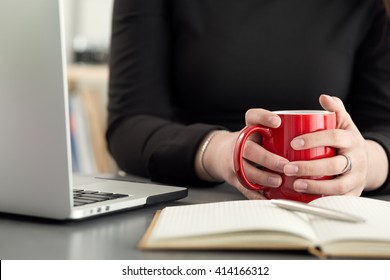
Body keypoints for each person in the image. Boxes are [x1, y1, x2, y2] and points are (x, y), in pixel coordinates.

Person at [106, 0, 390, 200]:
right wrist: (217, 152)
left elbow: (384, 126)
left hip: (333, 209)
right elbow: (129, 122)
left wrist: (366, 163)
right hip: (193, 200)